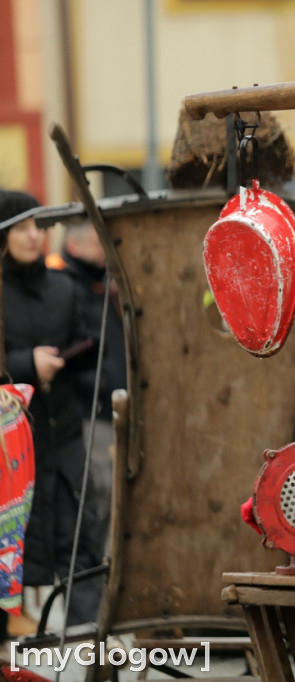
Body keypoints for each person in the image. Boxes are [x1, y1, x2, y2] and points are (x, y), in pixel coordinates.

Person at [0, 190, 105, 630]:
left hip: (60, 439)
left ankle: (90, 649)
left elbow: (87, 343)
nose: (33, 236)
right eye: (22, 227)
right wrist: (27, 364)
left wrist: (65, 358)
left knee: (79, 542)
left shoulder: (64, 287)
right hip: (9, 449)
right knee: (8, 552)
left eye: (38, 227)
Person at [46, 218, 126, 551]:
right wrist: (94, 384)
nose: (103, 250)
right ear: (75, 245)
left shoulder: (104, 284)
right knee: (99, 489)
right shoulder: (65, 286)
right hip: (87, 409)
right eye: (96, 243)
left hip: (112, 405)